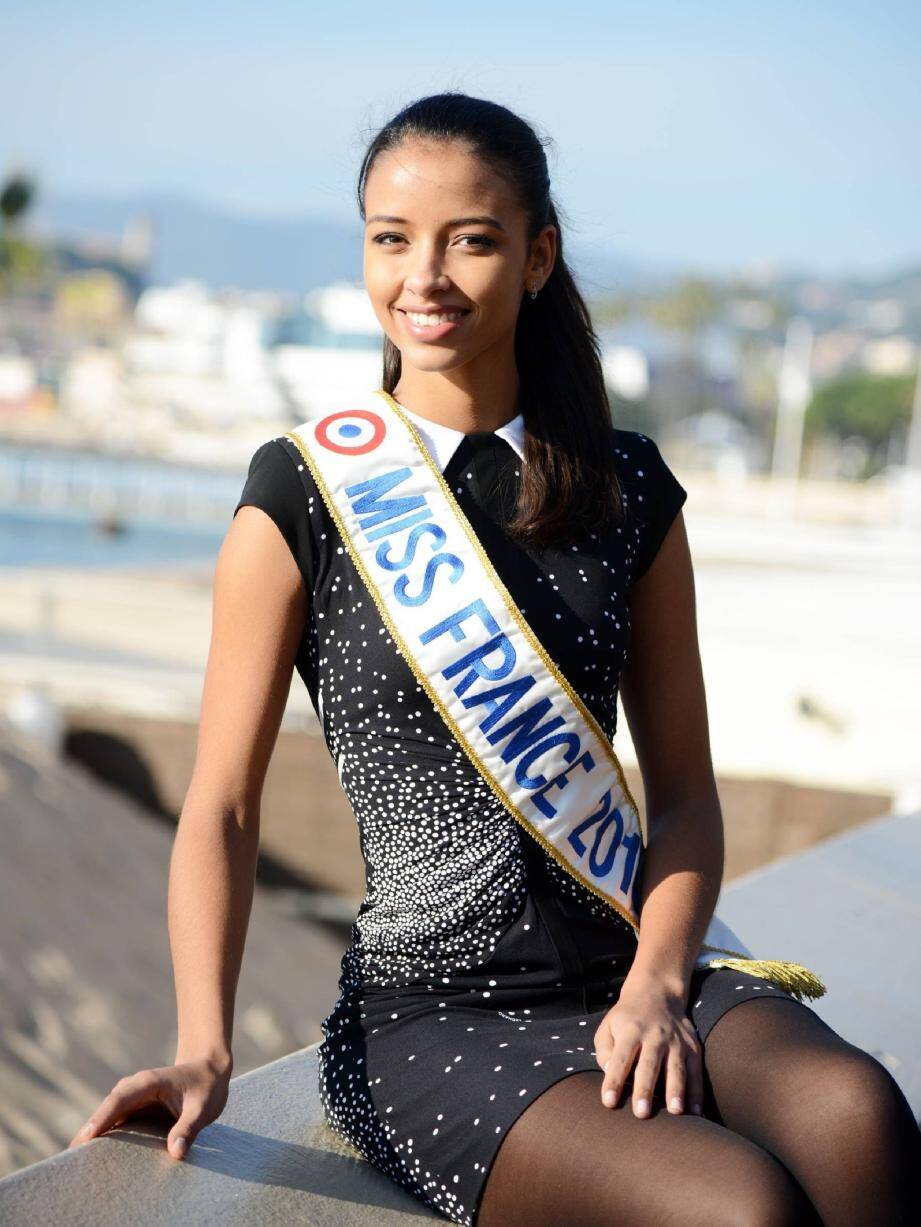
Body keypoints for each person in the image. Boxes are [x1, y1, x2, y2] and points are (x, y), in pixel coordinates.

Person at [68, 91, 920, 1225]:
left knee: (860, 1116)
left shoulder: (625, 493)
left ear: (536, 257)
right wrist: (203, 1050)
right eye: (391, 239)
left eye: (470, 238)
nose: (424, 276)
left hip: (642, 966)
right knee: (737, 1206)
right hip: (434, 1019)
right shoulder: (304, 496)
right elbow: (222, 805)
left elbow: (687, 800)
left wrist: (662, 984)